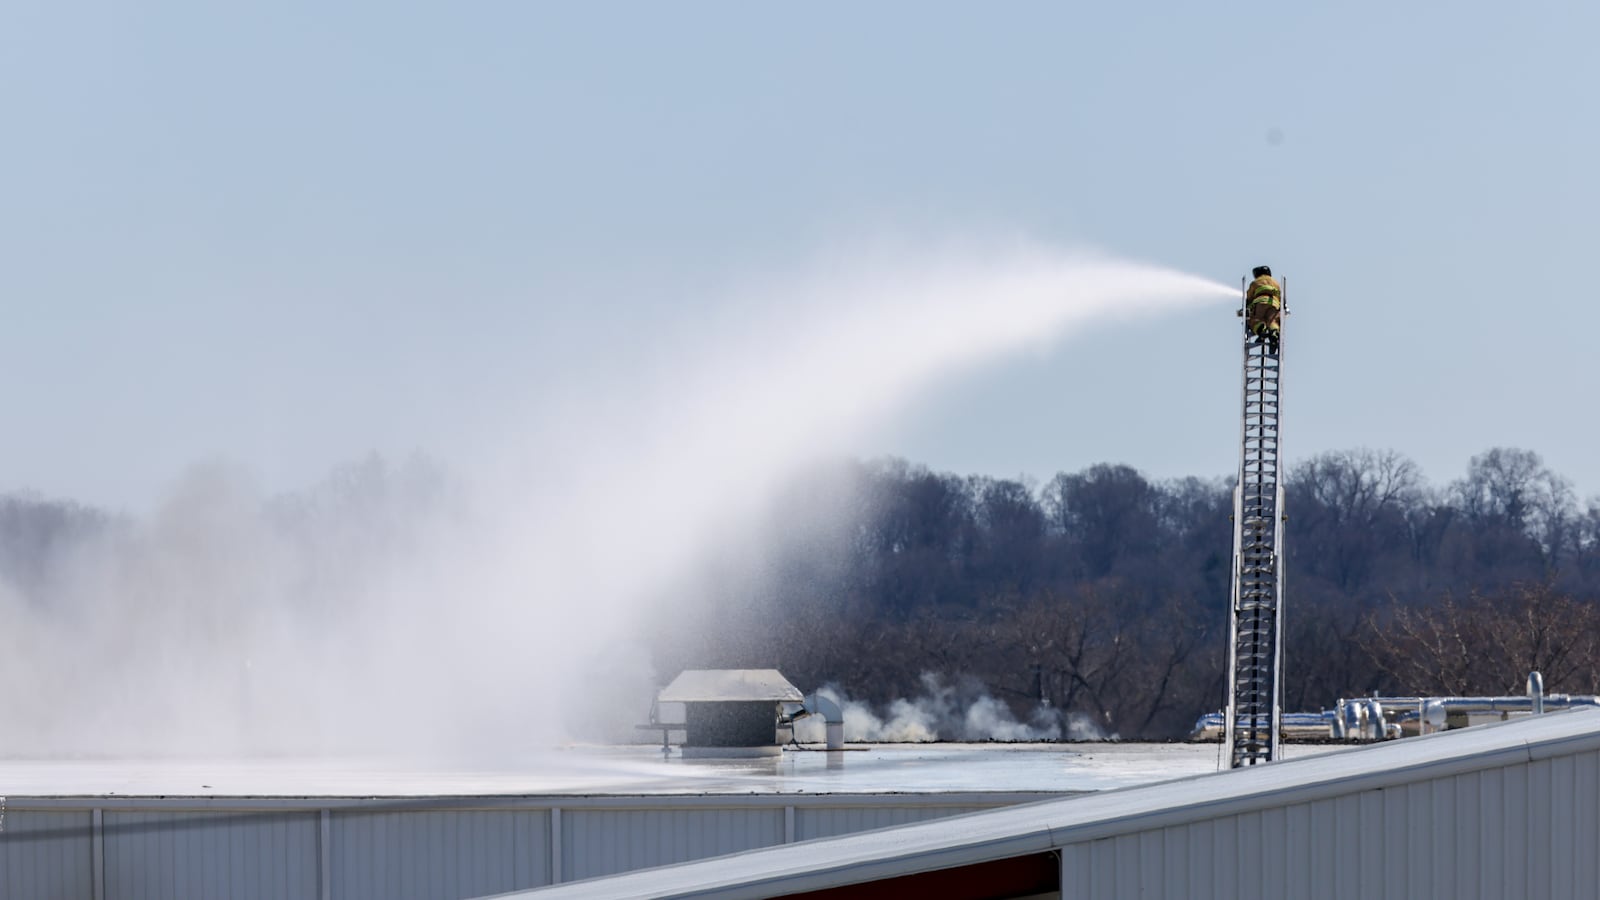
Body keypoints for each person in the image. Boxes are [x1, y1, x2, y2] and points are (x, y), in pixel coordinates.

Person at [1245, 265, 1282, 353]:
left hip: (1260, 303)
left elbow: (1249, 298)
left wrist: (1248, 308)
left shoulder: (1255, 283)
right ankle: (1274, 333)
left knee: (1255, 319)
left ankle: (1262, 331)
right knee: (1273, 321)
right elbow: (1281, 297)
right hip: (1274, 305)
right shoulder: (1276, 282)